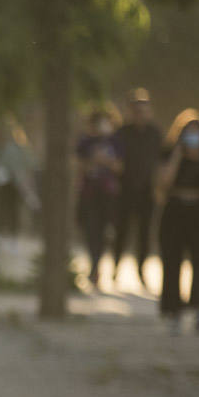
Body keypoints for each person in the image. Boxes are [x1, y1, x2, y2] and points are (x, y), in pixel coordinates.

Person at [154, 108, 199, 334]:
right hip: (174, 211)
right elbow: (162, 185)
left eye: (197, 133)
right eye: (188, 133)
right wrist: (178, 155)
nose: (193, 137)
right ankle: (173, 310)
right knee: (172, 261)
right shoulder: (170, 154)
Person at [113, 88, 163, 287]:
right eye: (136, 111)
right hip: (124, 190)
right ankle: (115, 268)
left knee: (145, 233)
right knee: (121, 231)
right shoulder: (122, 133)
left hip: (147, 191)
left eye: (143, 110)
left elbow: (160, 161)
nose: (140, 115)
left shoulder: (155, 134)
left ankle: (142, 271)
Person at [75, 107, 123, 287]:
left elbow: (120, 167)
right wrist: (92, 161)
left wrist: (106, 161)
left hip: (108, 194)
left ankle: (97, 265)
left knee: (104, 231)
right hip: (89, 193)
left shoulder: (115, 142)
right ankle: (94, 264)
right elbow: (79, 167)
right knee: (90, 229)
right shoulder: (85, 142)